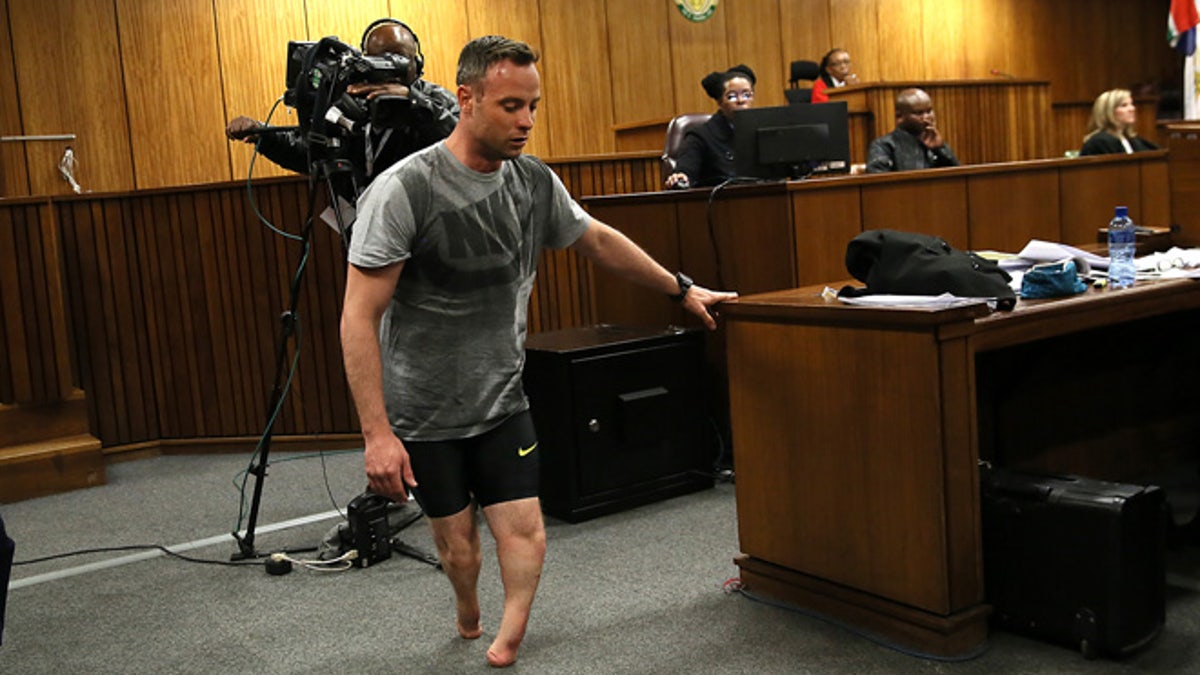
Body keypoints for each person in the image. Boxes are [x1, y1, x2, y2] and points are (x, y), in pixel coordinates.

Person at [340, 35, 737, 668]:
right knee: (459, 548)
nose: (525, 121)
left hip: (503, 397)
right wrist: (377, 435)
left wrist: (680, 288)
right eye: (510, 106)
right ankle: (467, 605)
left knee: (524, 528)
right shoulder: (404, 191)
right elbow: (359, 319)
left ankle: (511, 632)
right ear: (466, 99)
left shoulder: (531, 181)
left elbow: (598, 241)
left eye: (533, 106)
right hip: (427, 408)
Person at [225, 19, 459, 191]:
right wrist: (263, 135)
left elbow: (465, 142)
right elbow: (311, 153)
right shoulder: (348, 102)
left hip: (432, 227)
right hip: (370, 228)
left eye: (398, 58)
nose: (389, 66)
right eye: (379, 58)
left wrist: (415, 106)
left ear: (416, 64)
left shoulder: (434, 100)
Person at [663, 64, 756, 189]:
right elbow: (686, 168)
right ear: (720, 101)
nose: (741, 101)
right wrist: (681, 176)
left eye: (746, 95)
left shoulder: (762, 129)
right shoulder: (701, 134)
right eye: (732, 96)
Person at [865, 88, 960, 173]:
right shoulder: (883, 145)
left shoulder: (935, 142)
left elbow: (958, 178)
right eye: (919, 113)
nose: (926, 117)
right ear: (899, 116)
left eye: (929, 111)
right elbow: (879, 185)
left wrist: (940, 149)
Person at [1079, 88, 1159, 156]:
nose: (1132, 109)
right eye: (1124, 105)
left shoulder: (1132, 139)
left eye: (1131, 104)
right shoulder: (1099, 142)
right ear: (1109, 111)